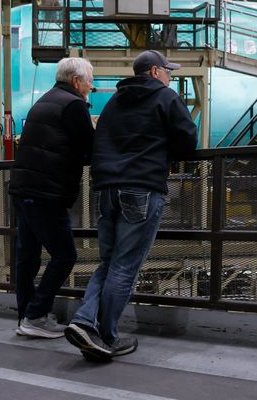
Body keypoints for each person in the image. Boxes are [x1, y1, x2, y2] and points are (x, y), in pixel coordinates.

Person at [64, 50, 198, 360]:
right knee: (124, 267)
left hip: (105, 189)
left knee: (109, 262)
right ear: (154, 72)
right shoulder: (166, 97)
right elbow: (188, 142)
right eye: (167, 71)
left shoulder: (114, 102)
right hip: (142, 187)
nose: (170, 76)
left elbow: (99, 141)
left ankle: (85, 322)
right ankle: (107, 337)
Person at [9, 57, 95, 338]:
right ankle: (35, 316)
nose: (90, 88)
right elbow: (90, 149)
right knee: (65, 255)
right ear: (76, 81)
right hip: (46, 192)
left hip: (23, 188)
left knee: (28, 257)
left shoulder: (45, 100)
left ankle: (26, 316)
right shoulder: (73, 105)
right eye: (89, 82)